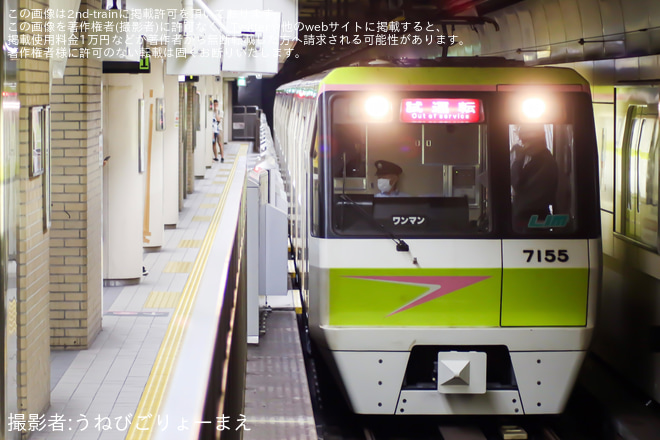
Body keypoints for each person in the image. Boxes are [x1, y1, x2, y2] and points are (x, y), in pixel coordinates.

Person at [510, 124, 558, 226]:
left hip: (530, 217)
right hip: (532, 215)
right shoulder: (540, 160)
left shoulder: (544, 161)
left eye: (525, 141)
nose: (523, 145)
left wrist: (518, 160)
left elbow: (517, 183)